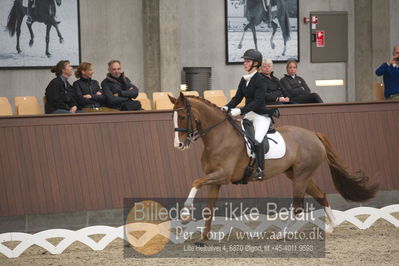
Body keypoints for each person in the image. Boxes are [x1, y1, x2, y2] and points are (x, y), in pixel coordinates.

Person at [222, 49, 275, 181]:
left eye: (248, 61)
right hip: (248, 116)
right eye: (245, 61)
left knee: (257, 141)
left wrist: (240, 111)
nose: (245, 63)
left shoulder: (261, 80)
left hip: (260, 116)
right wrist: (227, 106)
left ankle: (261, 170)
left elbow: (257, 102)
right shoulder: (244, 79)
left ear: (256, 64)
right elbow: (237, 98)